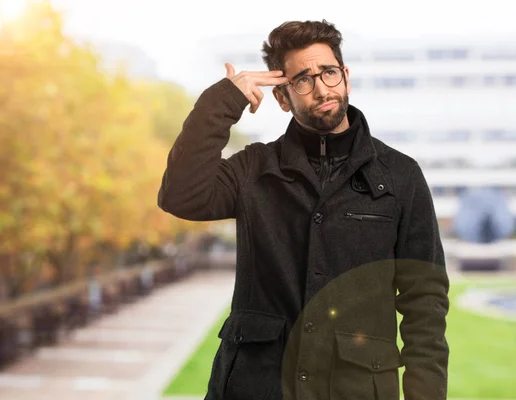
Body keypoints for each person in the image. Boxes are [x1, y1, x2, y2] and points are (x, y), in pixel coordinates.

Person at [157, 19, 449, 400]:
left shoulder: (400, 176)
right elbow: (180, 194)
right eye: (302, 80)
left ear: (345, 76)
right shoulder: (254, 169)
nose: (320, 89)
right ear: (282, 97)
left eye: (328, 73)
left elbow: (424, 301)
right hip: (255, 386)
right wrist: (223, 101)